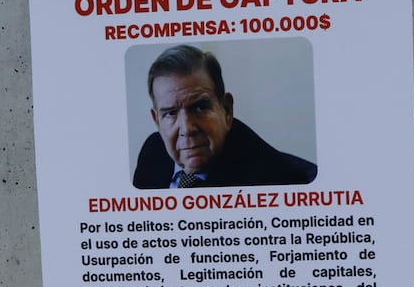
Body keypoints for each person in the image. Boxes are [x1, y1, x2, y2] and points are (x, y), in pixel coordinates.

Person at [132, 44, 317, 189]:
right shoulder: (153, 150)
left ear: (226, 110)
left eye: (199, 108)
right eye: (170, 113)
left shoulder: (276, 181)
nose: (187, 129)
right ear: (156, 121)